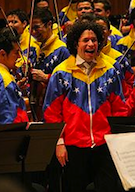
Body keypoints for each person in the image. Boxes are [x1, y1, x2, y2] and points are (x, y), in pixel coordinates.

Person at [43, 21, 128, 192]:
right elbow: (51, 112)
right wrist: (59, 143)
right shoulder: (61, 72)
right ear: (76, 43)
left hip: (105, 144)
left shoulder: (109, 71)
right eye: (86, 40)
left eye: (94, 40)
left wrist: (117, 140)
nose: (91, 44)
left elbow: (120, 108)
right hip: (73, 146)